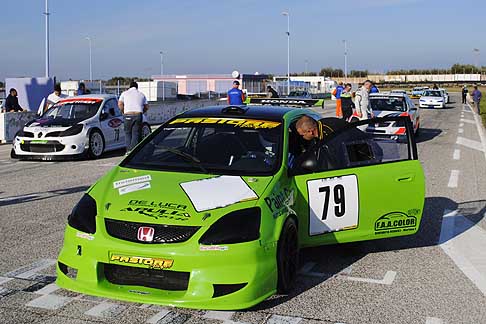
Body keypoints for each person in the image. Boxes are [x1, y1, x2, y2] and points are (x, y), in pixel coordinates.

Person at [118, 81, 149, 153]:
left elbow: (119, 104)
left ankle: (128, 151)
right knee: (136, 133)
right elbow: (147, 106)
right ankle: (134, 152)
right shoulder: (141, 94)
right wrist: (141, 111)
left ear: (129, 87)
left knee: (128, 133)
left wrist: (123, 111)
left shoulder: (124, 93)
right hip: (138, 115)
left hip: (127, 114)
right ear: (137, 87)